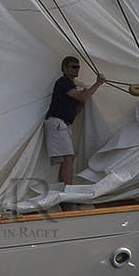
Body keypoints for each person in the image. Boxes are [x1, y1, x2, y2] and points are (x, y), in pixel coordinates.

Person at [46, 56, 106, 187]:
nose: (77, 69)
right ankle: (66, 192)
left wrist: (82, 102)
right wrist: (98, 83)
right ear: (64, 68)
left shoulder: (70, 85)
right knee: (68, 158)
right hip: (58, 123)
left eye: (78, 67)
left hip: (62, 124)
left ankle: (64, 190)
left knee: (68, 159)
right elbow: (82, 96)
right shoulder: (64, 82)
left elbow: (77, 107)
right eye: (73, 67)